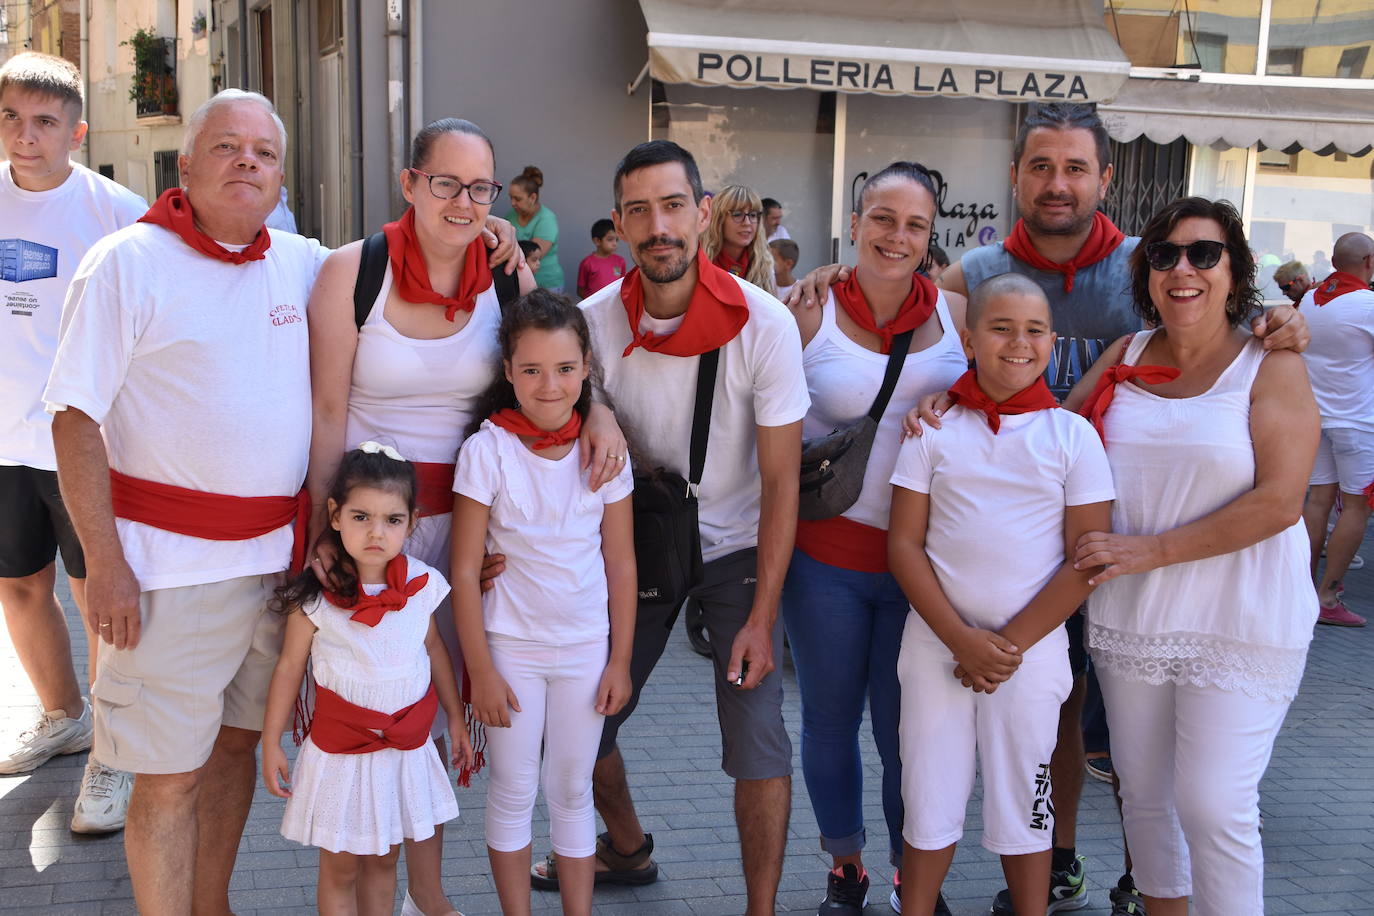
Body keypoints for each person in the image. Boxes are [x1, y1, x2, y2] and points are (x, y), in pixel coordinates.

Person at [793, 101, 1309, 916]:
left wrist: (1276, 319)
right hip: (1057, 567)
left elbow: (1207, 306)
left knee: (1076, 733)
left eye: (1076, 167)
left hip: (1113, 562)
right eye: (1041, 166)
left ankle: (1066, 862)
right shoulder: (979, 272)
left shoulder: (1152, 264)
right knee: (1128, 773)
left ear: (1106, 175)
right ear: (1016, 177)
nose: (1058, 183)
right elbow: (902, 285)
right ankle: (1048, 869)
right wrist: (828, 278)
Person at [303, 115, 619, 916]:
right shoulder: (353, 272)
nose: (463, 201)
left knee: (446, 715)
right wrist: (324, 538)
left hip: (479, 535)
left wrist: (605, 414)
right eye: (445, 182)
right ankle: (384, 895)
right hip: (378, 538)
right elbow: (328, 411)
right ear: (410, 184)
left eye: (479, 186)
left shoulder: (508, 274)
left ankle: (429, 898)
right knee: (381, 710)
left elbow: (554, 364)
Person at [43, 89, 327, 914]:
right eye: (228, 146)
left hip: (274, 572)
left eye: (264, 153)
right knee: (169, 778)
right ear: (187, 164)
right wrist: (105, 567)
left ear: (279, 176)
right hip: (166, 575)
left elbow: (399, 273)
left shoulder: (300, 262)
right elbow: (74, 421)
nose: (247, 161)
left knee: (235, 753)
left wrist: (491, 240)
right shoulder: (127, 262)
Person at [532, 140, 808, 916]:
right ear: (618, 225)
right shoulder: (589, 325)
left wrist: (763, 618)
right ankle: (625, 848)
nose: (660, 226)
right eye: (640, 211)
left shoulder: (764, 324)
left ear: (705, 211)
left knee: (757, 739)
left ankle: (759, 909)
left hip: (737, 548)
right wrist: (588, 404)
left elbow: (783, 480)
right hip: (637, 544)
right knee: (583, 724)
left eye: (674, 206)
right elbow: (536, 413)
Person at [1068, 196, 1319, 915]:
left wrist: (1152, 549)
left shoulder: (1269, 363)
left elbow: (1279, 503)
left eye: (1204, 254)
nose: (1183, 269)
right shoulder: (1126, 357)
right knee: (1145, 798)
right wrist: (949, 406)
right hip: (1133, 616)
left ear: (1234, 270)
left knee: (1213, 804)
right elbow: (1049, 442)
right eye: (1165, 254)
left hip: (1239, 616)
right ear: (1146, 273)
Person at [889, 273, 1114, 916]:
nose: (1019, 342)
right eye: (1001, 327)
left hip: (1030, 654)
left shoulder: (1072, 437)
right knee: (928, 797)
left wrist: (1005, 647)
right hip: (936, 644)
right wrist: (962, 639)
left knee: (1025, 804)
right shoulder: (932, 430)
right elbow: (904, 546)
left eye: (1035, 329)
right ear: (968, 338)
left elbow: (1086, 558)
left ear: (1053, 339)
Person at [783, 161, 968, 916]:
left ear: (931, 237)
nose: (897, 236)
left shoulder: (960, 308)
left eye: (915, 224)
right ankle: (845, 868)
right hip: (824, 560)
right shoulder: (804, 312)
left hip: (925, 567)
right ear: (855, 225)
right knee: (829, 722)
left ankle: (908, 878)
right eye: (882, 219)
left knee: (906, 737)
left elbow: (1015, 372)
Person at [451, 291, 636, 916]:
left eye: (563, 369)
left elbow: (622, 563)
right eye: (530, 370)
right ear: (508, 373)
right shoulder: (488, 450)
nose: (548, 385)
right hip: (511, 651)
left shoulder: (606, 451)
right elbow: (462, 565)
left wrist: (621, 661)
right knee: (511, 788)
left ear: (587, 368)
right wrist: (480, 670)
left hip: (586, 649)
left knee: (570, 788)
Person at [0, 51, 146, 835]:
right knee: (19, 587)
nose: (26, 137)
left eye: (45, 122)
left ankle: (115, 754)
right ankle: (65, 716)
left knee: (100, 602)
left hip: (86, 443)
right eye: (12, 118)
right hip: (0, 440)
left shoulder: (119, 211)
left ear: (76, 131)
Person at [261, 445, 469, 916]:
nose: (376, 532)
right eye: (361, 517)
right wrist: (271, 741)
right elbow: (290, 667)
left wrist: (456, 717)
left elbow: (435, 650)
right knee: (341, 869)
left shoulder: (423, 586)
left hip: (401, 753)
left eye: (392, 520)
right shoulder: (316, 597)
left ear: (413, 522)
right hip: (341, 757)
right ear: (335, 515)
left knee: (384, 862)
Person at [1300, 232, 1374, 627]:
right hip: (1358, 423)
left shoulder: (1311, 299)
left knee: (1317, 501)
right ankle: (1328, 595)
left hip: (1318, 417)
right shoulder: (1367, 304)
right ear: (1368, 260)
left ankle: (1304, 591)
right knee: (1356, 506)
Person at [703, 183, 778, 295]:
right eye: (737, 214)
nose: (747, 223)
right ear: (718, 220)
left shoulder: (764, 265)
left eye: (753, 215)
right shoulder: (698, 260)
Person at [507, 165, 564, 292]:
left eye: (517, 198)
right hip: (519, 283)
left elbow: (532, 256)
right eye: (511, 197)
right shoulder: (510, 216)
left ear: (532, 197)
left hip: (546, 285)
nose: (512, 203)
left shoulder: (546, 219)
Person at [576, 218, 626, 298]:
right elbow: (580, 290)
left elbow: (622, 285)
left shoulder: (620, 261)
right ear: (597, 241)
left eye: (617, 240)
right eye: (610, 239)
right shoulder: (587, 263)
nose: (615, 244)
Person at [769, 238, 798, 302]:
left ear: (788, 264)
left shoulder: (800, 291)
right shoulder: (765, 286)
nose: (766, 262)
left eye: (771, 259)